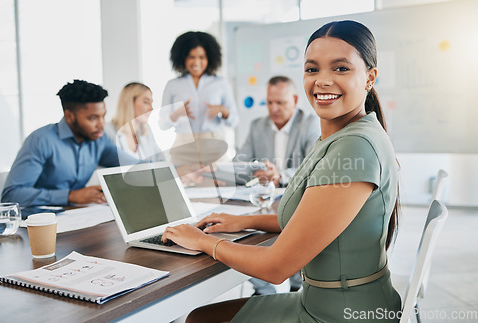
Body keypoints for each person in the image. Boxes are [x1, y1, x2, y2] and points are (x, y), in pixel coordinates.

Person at [161, 20, 402, 322]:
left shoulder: (354, 146)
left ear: (370, 78)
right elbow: (312, 218)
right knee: (201, 316)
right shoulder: (343, 135)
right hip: (327, 301)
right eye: (312, 69)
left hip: (340, 314)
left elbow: (276, 268)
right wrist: (242, 221)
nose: (323, 81)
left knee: (200, 319)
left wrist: (202, 241)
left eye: (340, 69)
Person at [1, 79, 137, 207]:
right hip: (38, 223)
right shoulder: (41, 140)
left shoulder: (99, 140)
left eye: (103, 116)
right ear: (70, 116)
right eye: (93, 118)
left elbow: (134, 166)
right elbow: (11, 196)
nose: (101, 124)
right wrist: (70, 196)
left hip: (77, 218)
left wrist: (155, 167)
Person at [159, 31, 238, 165]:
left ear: (210, 58)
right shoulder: (172, 85)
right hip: (183, 146)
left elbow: (234, 122)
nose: (197, 62)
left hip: (214, 144)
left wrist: (223, 110)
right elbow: (162, 124)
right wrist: (176, 114)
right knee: (183, 185)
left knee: (220, 184)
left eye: (202, 57)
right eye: (191, 57)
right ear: (182, 58)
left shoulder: (221, 83)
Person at [235, 76, 320, 187]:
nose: (273, 109)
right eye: (270, 102)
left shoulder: (310, 124)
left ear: (295, 100)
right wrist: (222, 175)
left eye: (280, 103)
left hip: (298, 195)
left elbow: (314, 166)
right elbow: (239, 163)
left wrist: (280, 176)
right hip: (265, 195)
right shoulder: (257, 126)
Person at [105, 82, 165, 163]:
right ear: (129, 102)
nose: (151, 108)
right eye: (146, 102)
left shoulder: (147, 132)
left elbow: (161, 161)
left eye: (151, 103)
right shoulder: (108, 130)